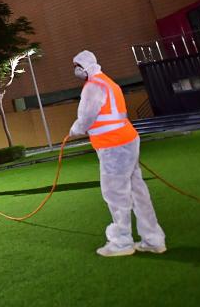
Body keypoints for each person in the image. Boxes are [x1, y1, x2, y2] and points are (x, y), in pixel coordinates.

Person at [69, 50, 166, 257]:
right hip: (127, 140)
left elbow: (86, 117)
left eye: (76, 66)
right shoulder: (109, 83)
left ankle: (121, 242)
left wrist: (75, 130)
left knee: (116, 193)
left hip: (113, 145)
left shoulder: (93, 87)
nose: (75, 71)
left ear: (84, 66)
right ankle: (153, 239)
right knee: (137, 191)